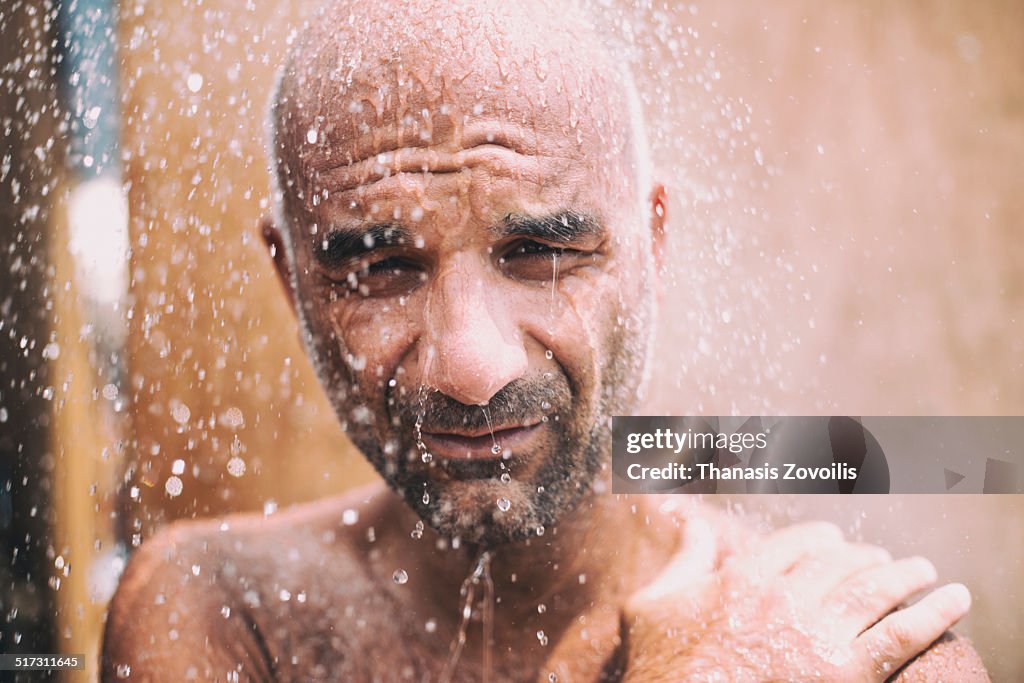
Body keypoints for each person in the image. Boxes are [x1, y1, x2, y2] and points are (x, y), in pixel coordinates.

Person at [102, 0, 990, 680]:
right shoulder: (222, 612)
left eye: (541, 252)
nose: (471, 368)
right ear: (293, 280)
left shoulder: (862, 647)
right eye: (381, 269)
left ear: (653, 244)